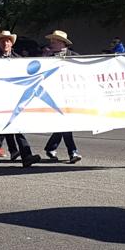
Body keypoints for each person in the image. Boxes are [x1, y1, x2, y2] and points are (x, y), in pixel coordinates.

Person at [0, 30, 42, 168]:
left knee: (18, 127)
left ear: (11, 43)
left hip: (14, 99)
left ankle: (26, 156)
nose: (5, 43)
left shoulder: (18, 59)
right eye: (2, 41)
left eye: (8, 41)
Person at [42, 30, 83, 163]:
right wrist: (45, 58)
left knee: (64, 124)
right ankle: (72, 152)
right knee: (66, 124)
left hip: (70, 94)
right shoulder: (48, 57)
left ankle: (51, 147)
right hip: (54, 95)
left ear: (63, 43)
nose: (52, 43)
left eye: (55, 41)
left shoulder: (75, 57)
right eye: (51, 41)